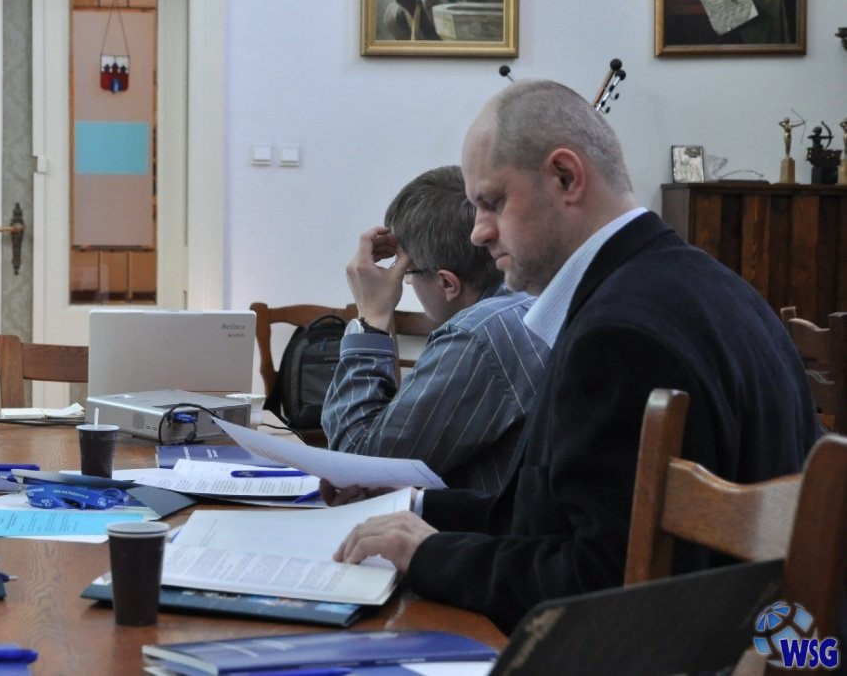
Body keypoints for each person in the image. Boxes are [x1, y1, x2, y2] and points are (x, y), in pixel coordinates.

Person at [331, 79, 820, 633]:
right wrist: (415, 507)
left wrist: (429, 555)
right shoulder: (698, 283)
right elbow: (556, 521)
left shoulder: (621, 335)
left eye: (493, 203)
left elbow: (597, 585)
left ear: (566, 177)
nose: (478, 233)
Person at [321, 166, 549, 491]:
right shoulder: (536, 302)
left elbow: (359, 465)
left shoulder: (478, 335)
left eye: (407, 273)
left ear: (447, 283)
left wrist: (371, 319)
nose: (405, 282)